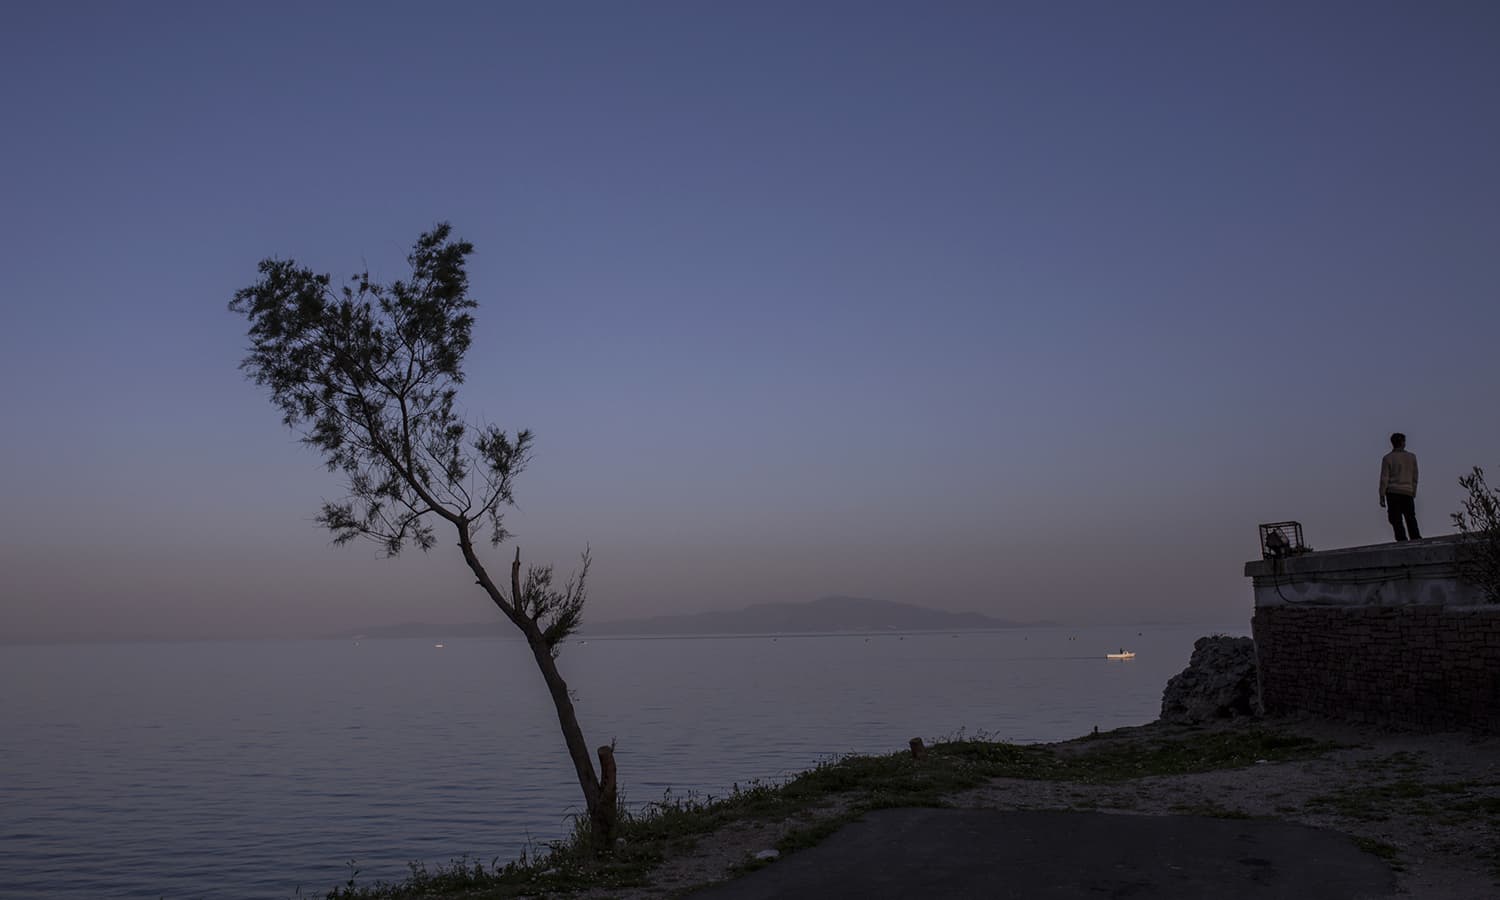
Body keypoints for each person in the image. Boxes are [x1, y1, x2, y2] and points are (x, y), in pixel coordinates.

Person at [1379, 432, 1420, 541]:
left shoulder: (1387, 458)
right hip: (1407, 491)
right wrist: (1413, 491)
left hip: (1392, 492)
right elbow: (1415, 476)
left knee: (1396, 519)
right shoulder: (1411, 457)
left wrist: (1382, 495)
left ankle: (1401, 539)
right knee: (1410, 517)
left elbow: (1384, 478)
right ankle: (1416, 538)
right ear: (1403, 443)